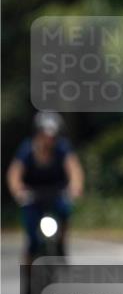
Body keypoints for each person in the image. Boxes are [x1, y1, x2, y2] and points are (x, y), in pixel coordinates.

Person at [7, 111, 84, 264]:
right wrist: (18, 191)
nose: (49, 139)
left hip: (57, 193)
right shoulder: (27, 149)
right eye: (46, 134)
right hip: (32, 196)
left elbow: (74, 169)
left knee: (64, 211)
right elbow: (14, 173)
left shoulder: (62, 148)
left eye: (53, 135)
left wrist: (75, 187)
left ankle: (61, 245)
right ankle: (28, 276)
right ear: (38, 133)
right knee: (33, 240)